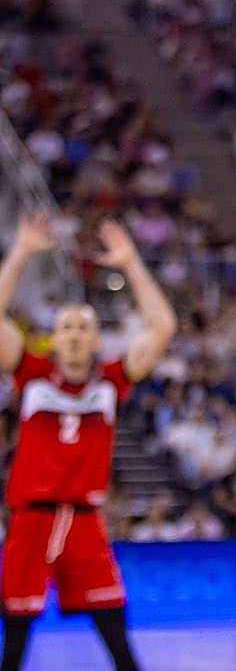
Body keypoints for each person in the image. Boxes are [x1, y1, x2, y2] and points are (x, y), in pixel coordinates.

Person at [0, 213, 178, 671]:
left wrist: (131, 263)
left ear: (97, 338)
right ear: (53, 339)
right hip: (30, 519)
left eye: (84, 327)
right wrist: (19, 253)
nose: (76, 335)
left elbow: (162, 329)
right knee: (15, 636)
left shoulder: (110, 382)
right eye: (67, 328)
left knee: (115, 632)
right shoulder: (31, 375)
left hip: (84, 521)